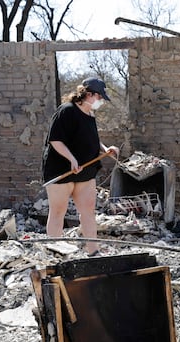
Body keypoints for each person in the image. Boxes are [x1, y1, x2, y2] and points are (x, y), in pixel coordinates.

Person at [42, 77, 120, 256]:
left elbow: (91, 137)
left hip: (86, 170)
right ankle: (55, 253)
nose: (101, 101)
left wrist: (105, 148)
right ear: (89, 94)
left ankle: (93, 251)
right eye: (99, 97)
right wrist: (71, 158)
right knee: (58, 211)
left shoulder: (90, 114)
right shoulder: (67, 111)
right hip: (61, 169)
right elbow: (55, 139)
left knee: (88, 210)